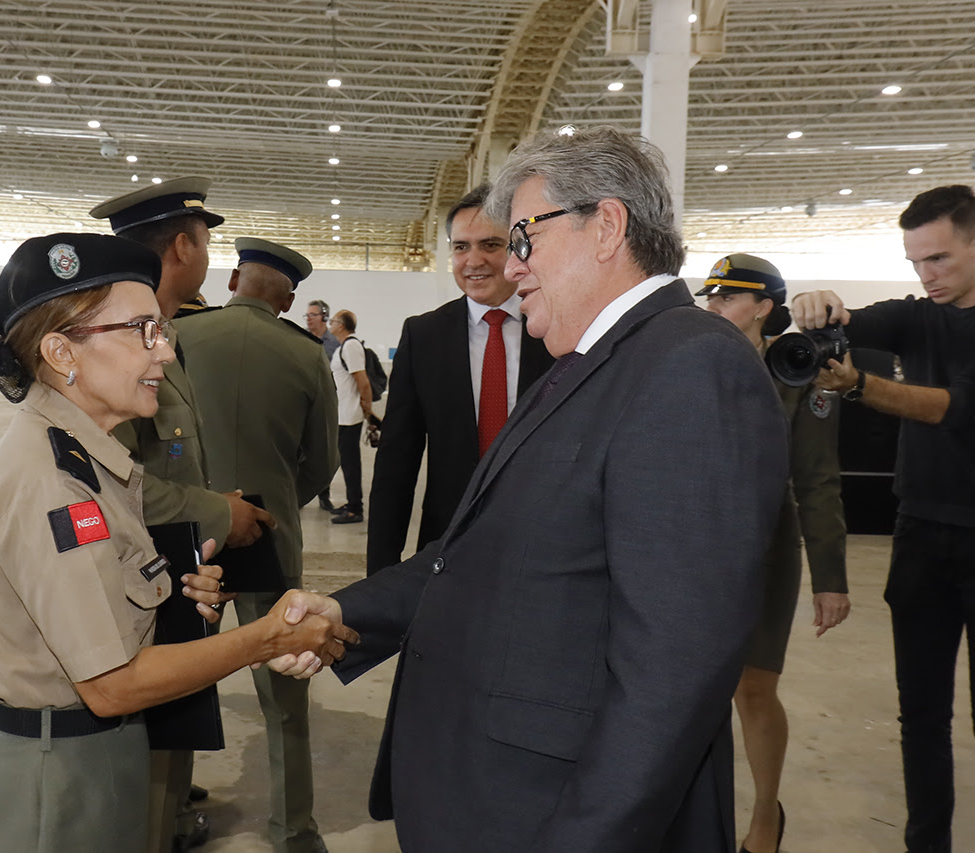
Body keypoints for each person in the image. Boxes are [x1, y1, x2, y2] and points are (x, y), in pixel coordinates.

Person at [271, 126, 790, 852]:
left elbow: (672, 675)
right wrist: (345, 611)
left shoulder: (690, 367)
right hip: (494, 789)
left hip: (550, 812)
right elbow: (477, 552)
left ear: (606, 225)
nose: (510, 267)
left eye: (522, 238)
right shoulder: (592, 362)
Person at [0, 232, 355, 853]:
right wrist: (266, 636)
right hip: (52, 783)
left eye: (160, 330)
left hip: (94, 757)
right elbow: (111, 683)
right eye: (142, 330)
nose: (164, 352)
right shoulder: (53, 482)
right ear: (62, 352)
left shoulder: (93, 461)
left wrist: (167, 593)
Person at [90, 176, 276, 853]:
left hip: (176, 568)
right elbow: (114, 483)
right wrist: (219, 510)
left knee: (170, 738)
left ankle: (165, 819)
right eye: (205, 241)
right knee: (146, 751)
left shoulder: (165, 336)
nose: (208, 257)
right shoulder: (120, 345)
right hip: (136, 578)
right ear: (181, 245)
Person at [792, 184, 975, 853]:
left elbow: (952, 408)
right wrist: (820, 308)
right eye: (915, 261)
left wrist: (862, 386)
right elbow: (851, 326)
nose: (925, 274)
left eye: (939, 259)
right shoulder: (917, 313)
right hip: (921, 533)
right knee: (921, 716)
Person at [178, 238, 339, 853]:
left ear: (232, 282)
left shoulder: (183, 338)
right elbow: (321, 463)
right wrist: (269, 510)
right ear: (290, 298)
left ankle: (171, 812)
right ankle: (294, 829)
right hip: (271, 538)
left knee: (180, 673)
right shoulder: (305, 354)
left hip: (189, 534)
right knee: (285, 687)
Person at [698, 253, 851, 853]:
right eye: (709, 297)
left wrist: (830, 577)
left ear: (764, 306)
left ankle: (765, 814)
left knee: (753, 689)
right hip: (695, 545)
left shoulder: (799, 369)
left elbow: (816, 477)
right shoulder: (693, 360)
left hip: (766, 545)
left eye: (728, 298)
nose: (713, 307)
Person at [366, 184, 554, 574]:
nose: (473, 260)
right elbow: (396, 464)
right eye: (460, 247)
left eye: (490, 244)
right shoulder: (424, 336)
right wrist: (380, 573)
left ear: (519, 247)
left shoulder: (556, 331)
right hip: (447, 544)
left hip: (544, 544)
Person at [327, 310, 375, 524]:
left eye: (334, 320)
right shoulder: (344, 346)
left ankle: (356, 508)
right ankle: (352, 502)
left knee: (350, 464)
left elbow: (362, 382)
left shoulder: (351, 346)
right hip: (343, 415)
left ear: (343, 325)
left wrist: (367, 411)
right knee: (346, 462)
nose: (331, 323)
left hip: (350, 415)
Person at [303, 299, 339, 513]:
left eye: (312, 315)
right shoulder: (301, 338)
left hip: (326, 402)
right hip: (304, 400)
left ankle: (324, 496)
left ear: (324, 317)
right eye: (306, 315)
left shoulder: (334, 343)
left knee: (324, 450)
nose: (308, 319)